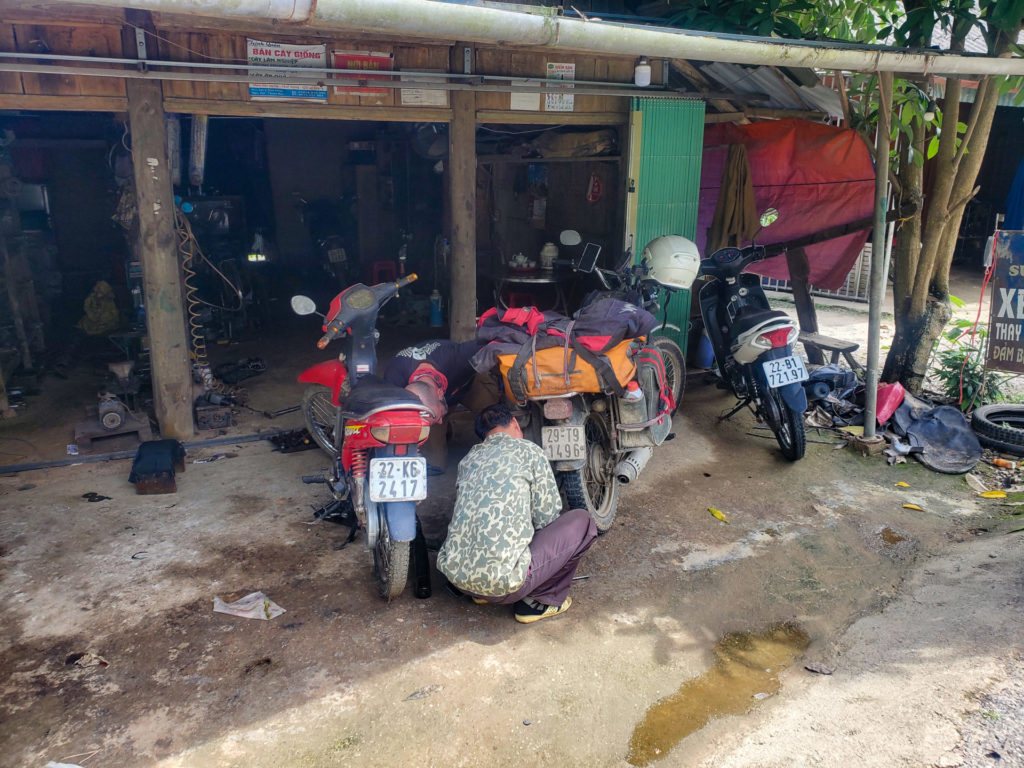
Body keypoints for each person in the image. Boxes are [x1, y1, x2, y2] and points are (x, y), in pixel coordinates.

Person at [437, 403, 598, 624]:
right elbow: (546, 517)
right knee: (583, 521)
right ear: (514, 423)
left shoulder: (468, 460)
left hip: (458, 577)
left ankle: (479, 593)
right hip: (504, 586)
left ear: (483, 437)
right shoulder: (529, 451)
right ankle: (537, 602)